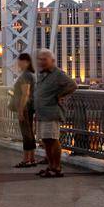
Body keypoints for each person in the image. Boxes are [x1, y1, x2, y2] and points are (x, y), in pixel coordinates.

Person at [33, 49, 75, 178]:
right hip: (42, 112)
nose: (41, 62)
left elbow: (72, 85)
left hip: (51, 112)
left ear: (52, 61)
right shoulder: (42, 74)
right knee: (46, 141)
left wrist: (60, 95)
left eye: (44, 59)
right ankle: (50, 166)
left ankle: (57, 167)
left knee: (53, 140)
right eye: (40, 59)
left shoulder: (58, 74)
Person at [9, 52, 38, 167]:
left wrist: (21, 110)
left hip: (25, 107)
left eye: (19, 61)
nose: (18, 63)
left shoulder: (26, 75)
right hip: (30, 107)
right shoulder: (31, 74)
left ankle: (26, 160)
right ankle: (32, 158)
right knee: (30, 133)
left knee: (26, 133)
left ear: (26, 62)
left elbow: (25, 94)